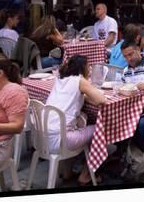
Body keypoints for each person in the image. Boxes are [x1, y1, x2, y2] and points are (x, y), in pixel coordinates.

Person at [45, 55, 107, 185]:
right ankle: (86, 175)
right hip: (62, 140)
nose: (89, 68)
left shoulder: (60, 79)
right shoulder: (79, 81)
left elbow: (74, 96)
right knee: (101, 129)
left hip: (43, 138)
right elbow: (101, 100)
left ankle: (67, 172)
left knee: (77, 126)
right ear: (83, 68)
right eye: (88, 66)